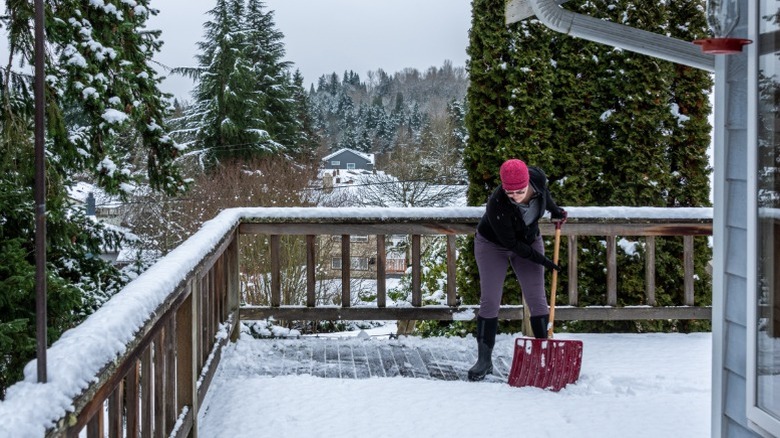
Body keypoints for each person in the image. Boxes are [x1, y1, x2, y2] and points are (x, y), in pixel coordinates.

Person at [468, 158, 568, 381]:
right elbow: (513, 245)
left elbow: (544, 195)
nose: (515, 196)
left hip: (529, 240)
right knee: (490, 300)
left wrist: (554, 210)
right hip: (493, 245)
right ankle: (484, 361)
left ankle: (545, 356)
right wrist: (544, 261)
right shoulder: (497, 203)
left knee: (537, 298)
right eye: (509, 192)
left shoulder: (538, 178)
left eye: (520, 191)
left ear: (528, 182)